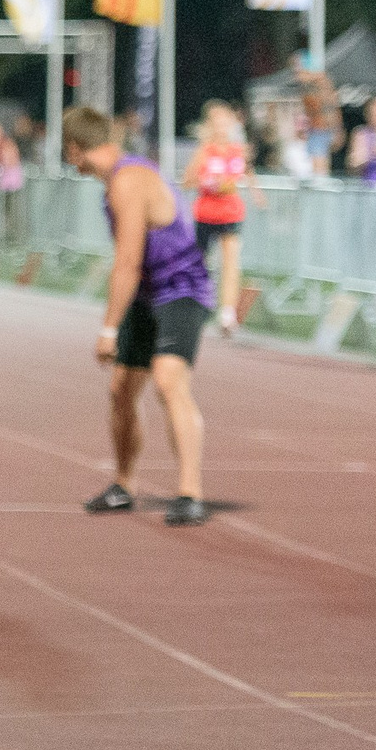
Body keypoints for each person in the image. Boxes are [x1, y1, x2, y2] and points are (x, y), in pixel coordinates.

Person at [64, 107, 211, 527]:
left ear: (76, 149)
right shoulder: (115, 182)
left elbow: (127, 260)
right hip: (148, 294)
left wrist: (108, 328)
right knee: (121, 390)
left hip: (182, 288)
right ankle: (123, 484)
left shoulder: (128, 181)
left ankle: (189, 491)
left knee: (168, 378)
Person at [186, 101, 259, 333]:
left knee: (231, 262)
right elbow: (187, 181)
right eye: (217, 123)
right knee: (201, 264)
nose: (221, 128)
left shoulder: (239, 151)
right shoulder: (204, 151)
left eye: (225, 123)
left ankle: (227, 314)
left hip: (231, 213)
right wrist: (208, 183)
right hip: (206, 214)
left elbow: (247, 175)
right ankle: (197, 305)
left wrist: (256, 193)